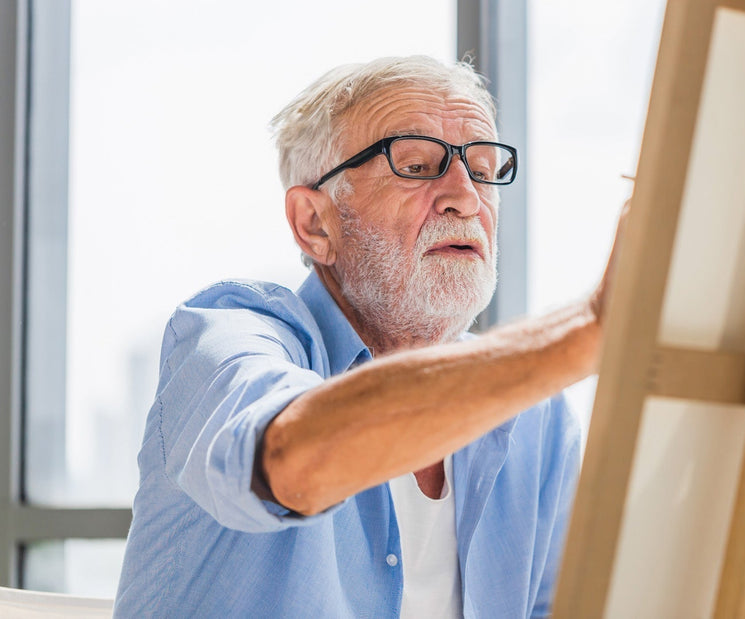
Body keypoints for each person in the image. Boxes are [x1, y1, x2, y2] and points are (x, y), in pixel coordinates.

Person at [114, 56, 619, 617]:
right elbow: (291, 459)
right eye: (416, 164)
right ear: (315, 223)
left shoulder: (537, 419)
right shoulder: (226, 335)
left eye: (481, 168)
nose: (466, 197)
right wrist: (591, 330)